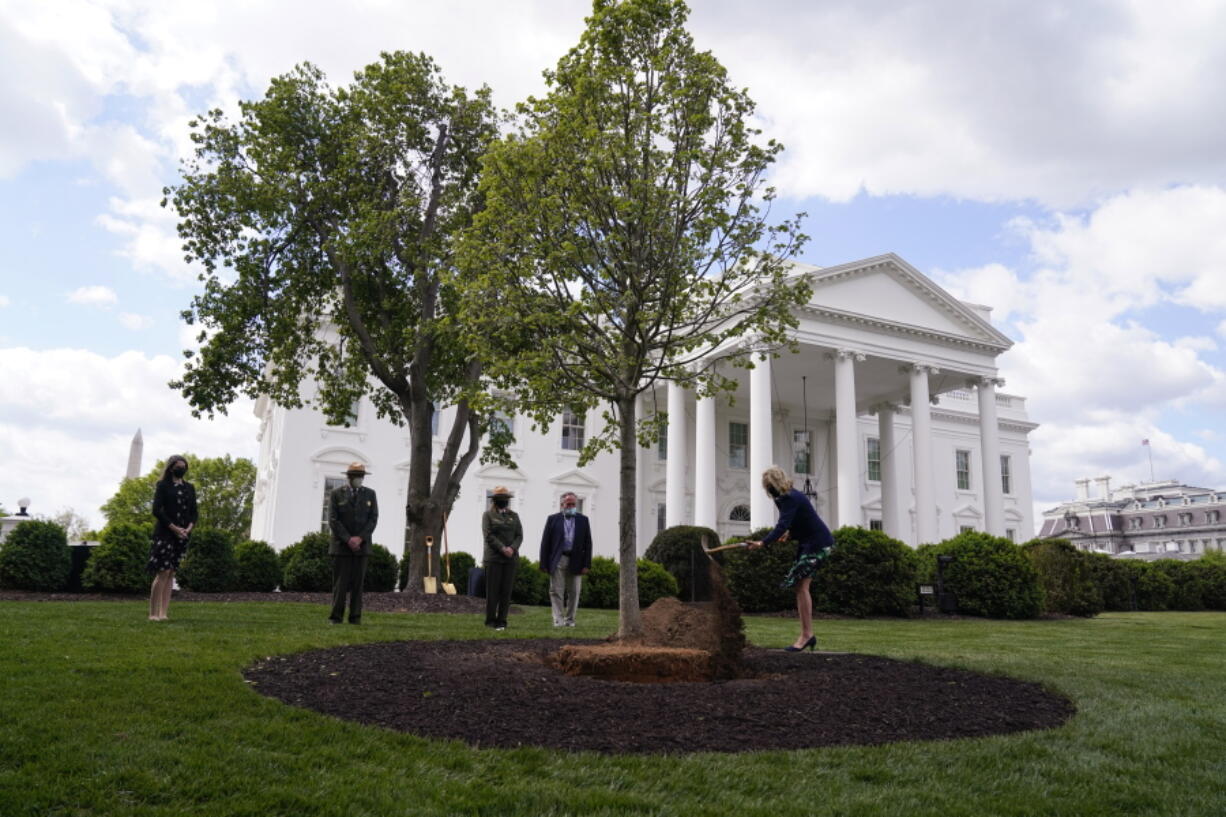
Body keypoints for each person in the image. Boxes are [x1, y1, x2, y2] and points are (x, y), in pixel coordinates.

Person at [747, 465, 834, 652]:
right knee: (800, 587)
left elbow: (782, 524)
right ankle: (807, 635)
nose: (769, 491)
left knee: (801, 586)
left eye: (770, 486)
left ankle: (807, 635)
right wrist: (791, 535)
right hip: (809, 543)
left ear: (775, 484)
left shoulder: (789, 498)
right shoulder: (786, 496)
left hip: (817, 544)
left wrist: (763, 543)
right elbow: (798, 521)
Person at [147, 455, 198, 621]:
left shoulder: (190, 488)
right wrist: (174, 528)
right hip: (165, 533)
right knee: (163, 571)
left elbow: (194, 513)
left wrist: (187, 530)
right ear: (171, 468)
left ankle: (163, 613)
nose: (182, 469)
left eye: (184, 466)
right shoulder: (163, 486)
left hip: (182, 535)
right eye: (178, 466)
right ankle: (153, 614)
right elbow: (157, 510)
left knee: (171, 573)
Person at [328, 462, 379, 625]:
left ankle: (355, 617)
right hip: (342, 547)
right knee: (340, 585)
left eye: (362, 476)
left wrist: (360, 538)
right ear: (349, 477)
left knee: (358, 585)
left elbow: (373, 519)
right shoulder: (337, 494)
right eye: (357, 476)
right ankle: (336, 617)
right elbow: (333, 520)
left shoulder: (370, 494)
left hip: (362, 547)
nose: (360, 479)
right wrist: (348, 539)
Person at [538, 492, 593, 627]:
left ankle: (570, 620)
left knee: (574, 592)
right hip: (558, 559)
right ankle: (558, 620)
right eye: (568, 504)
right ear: (562, 505)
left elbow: (588, 543)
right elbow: (545, 542)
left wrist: (587, 564)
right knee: (556, 591)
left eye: (574, 504)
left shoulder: (583, 520)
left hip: (576, 561)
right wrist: (544, 563)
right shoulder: (552, 519)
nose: (571, 506)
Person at [482, 485, 522, 630]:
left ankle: (502, 621)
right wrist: (502, 548)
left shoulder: (514, 516)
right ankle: (490, 620)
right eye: (500, 499)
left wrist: (512, 548)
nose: (503, 501)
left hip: (510, 559)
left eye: (505, 498)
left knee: (506, 591)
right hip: (493, 558)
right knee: (492, 592)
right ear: (494, 500)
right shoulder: (488, 515)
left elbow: (519, 535)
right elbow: (488, 535)